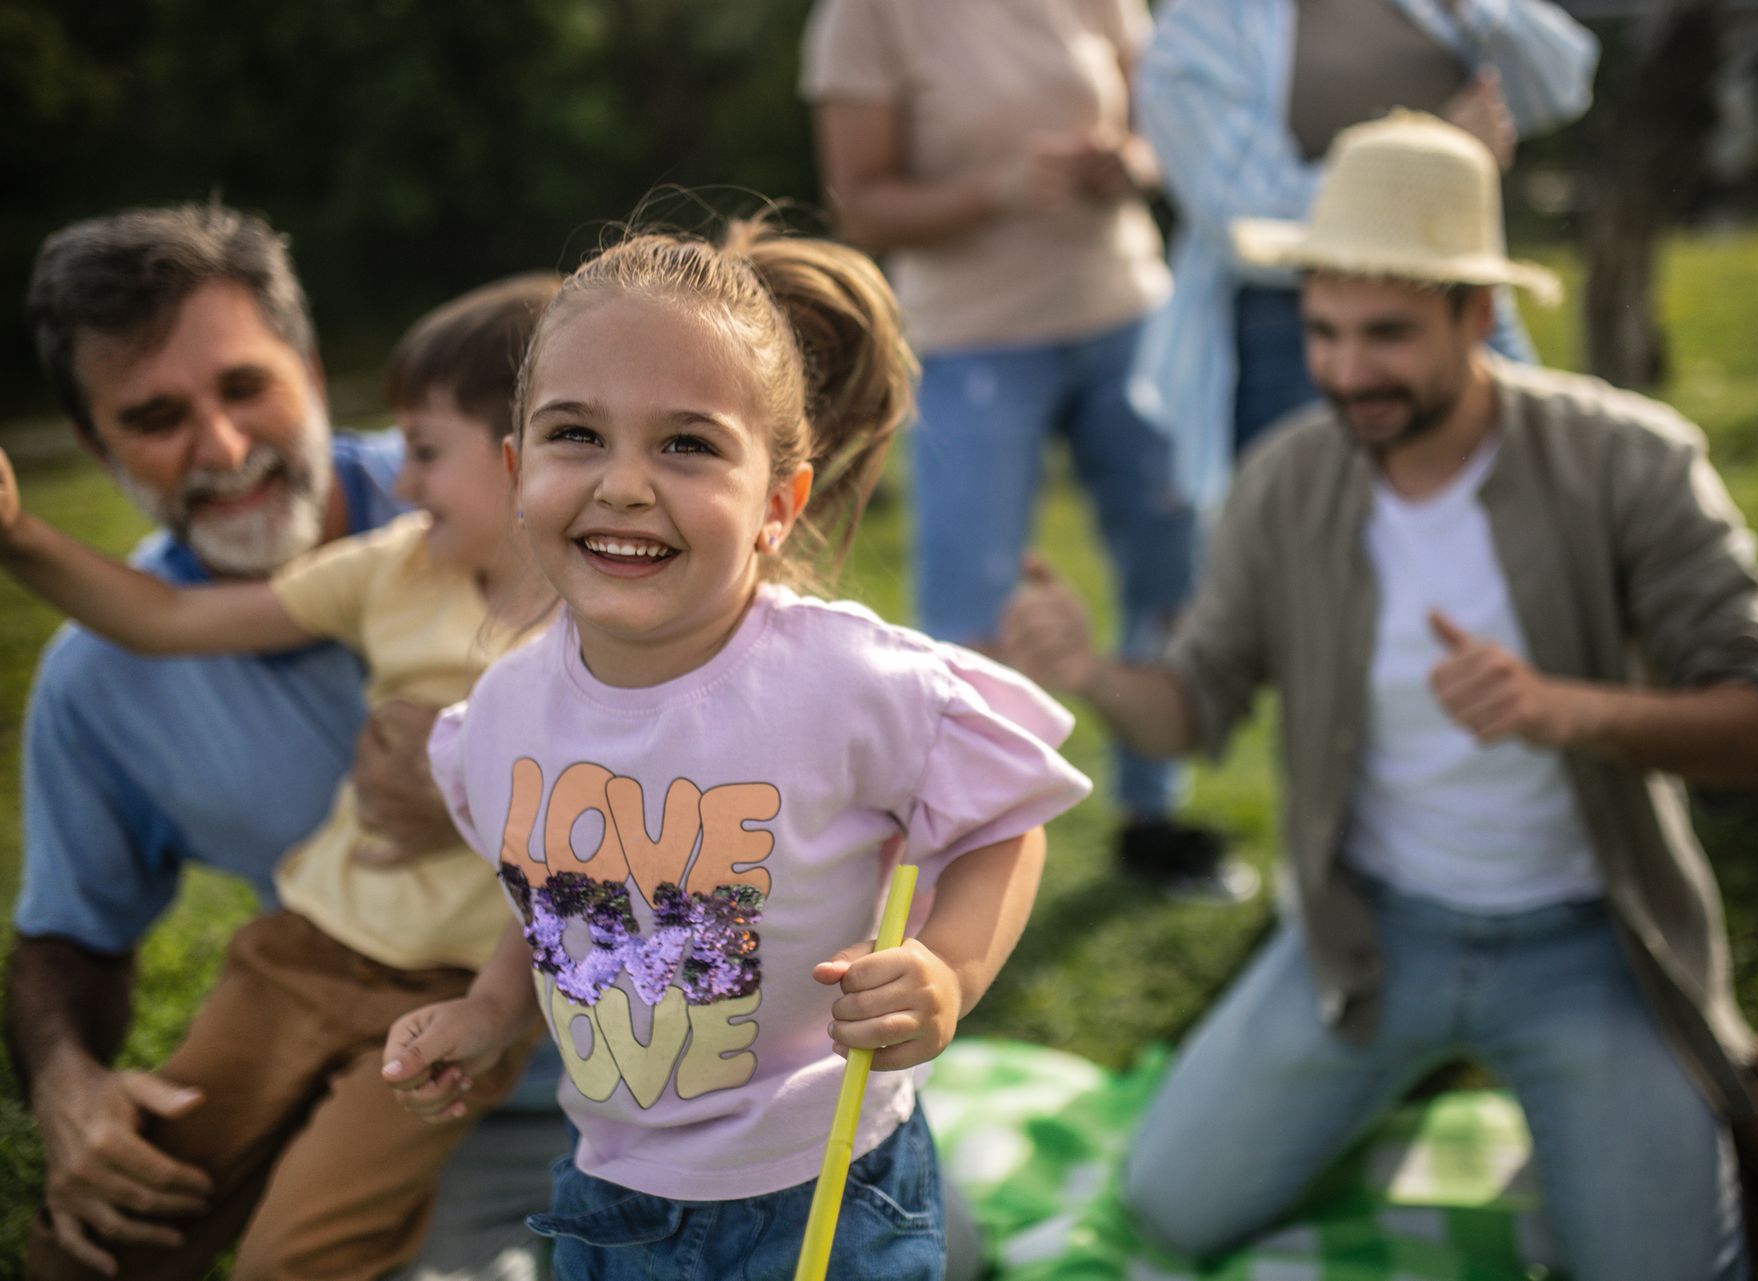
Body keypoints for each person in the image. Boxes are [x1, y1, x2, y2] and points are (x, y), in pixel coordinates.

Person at [1000, 114, 1758, 1279]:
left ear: (1478, 315)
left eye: (1386, 334)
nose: (1345, 371)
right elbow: (1196, 707)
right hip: (1369, 934)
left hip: (1595, 947)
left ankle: (1547, 1122)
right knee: (1169, 1206)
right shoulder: (1286, 479)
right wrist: (1089, 675)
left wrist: (1562, 710)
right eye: (1324, 331)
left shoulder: (1629, 459)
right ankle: (1379, 1091)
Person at [377, 219, 1092, 1280]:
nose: (623, 483)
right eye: (578, 435)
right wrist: (490, 1012)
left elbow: (1004, 822)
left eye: (687, 445)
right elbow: (562, 910)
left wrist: (951, 970)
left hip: (831, 1182)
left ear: (776, 503)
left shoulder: (846, 682)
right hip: (611, 1189)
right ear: (520, 467)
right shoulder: (501, 718)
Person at [3, 204, 556, 1281]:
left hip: (628, 1069)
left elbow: (747, 697)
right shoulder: (102, 675)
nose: (222, 447)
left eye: (244, 386)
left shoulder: (511, 484)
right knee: (99, 1250)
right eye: (156, 415)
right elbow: (68, 940)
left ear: (306, 363)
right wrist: (68, 1081)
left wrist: (488, 797)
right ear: (93, 444)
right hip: (356, 1033)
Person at [800, 0, 1251, 903]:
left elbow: (1165, 132)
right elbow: (862, 203)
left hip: (1130, 317)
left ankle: (1153, 817)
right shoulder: (863, 16)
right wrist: (997, 192)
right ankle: (950, 871)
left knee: (1170, 567)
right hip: (972, 339)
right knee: (970, 609)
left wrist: (1128, 164)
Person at [1131, 0, 1598, 513]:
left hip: (1456, 300)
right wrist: (1436, 153)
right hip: (1301, 331)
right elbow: (1245, 217)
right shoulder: (1203, 26)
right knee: (1321, 543)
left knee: (1522, 510)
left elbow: (1561, 82)